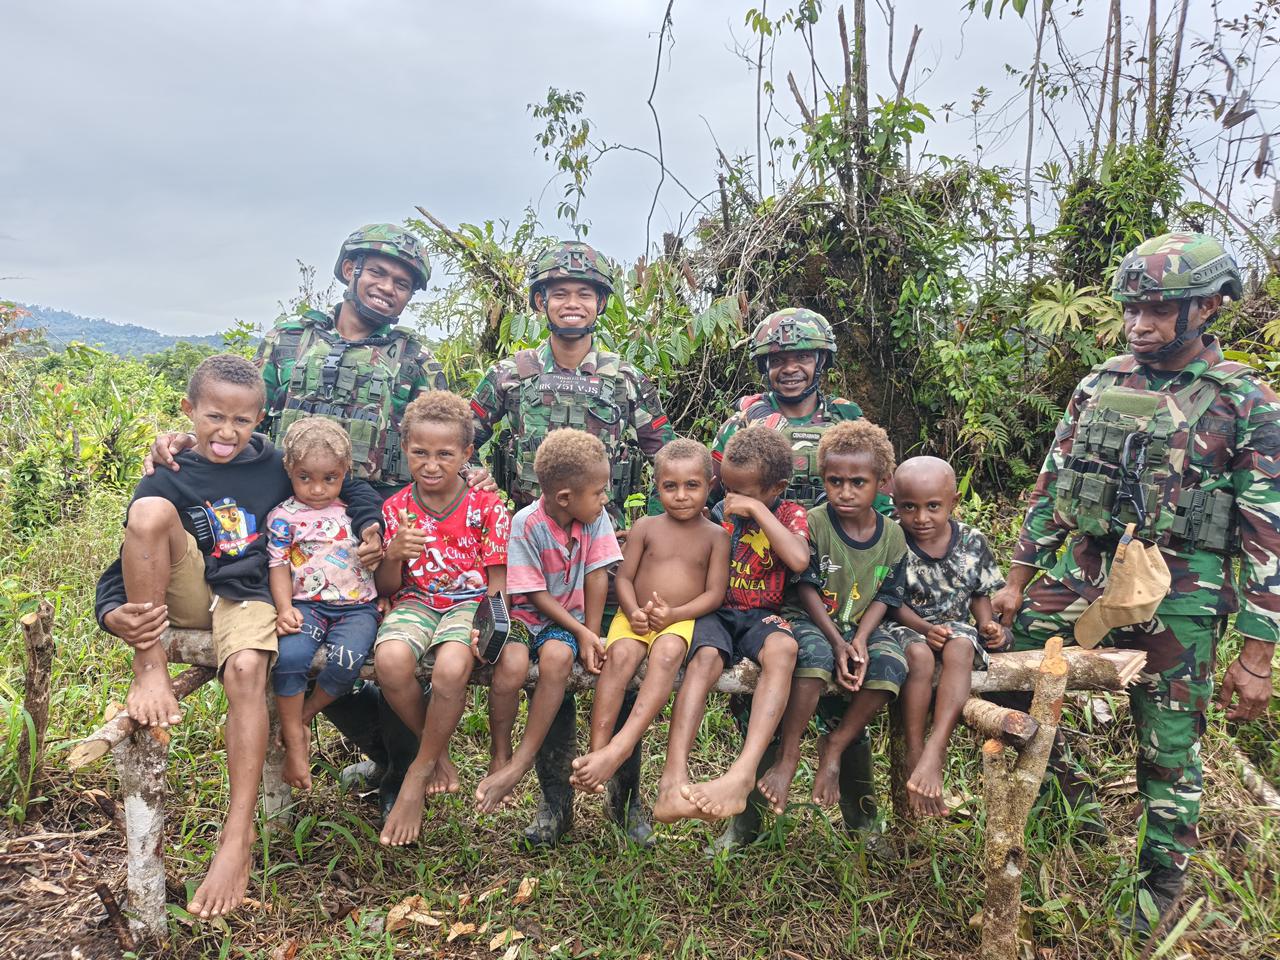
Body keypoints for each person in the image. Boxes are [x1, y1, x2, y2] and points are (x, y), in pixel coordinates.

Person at [988, 232, 1280, 936]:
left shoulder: (1245, 402)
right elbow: (1053, 487)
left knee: (1167, 747)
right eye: (1131, 309)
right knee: (1000, 670)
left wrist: (1256, 655)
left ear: (1207, 307)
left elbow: (1268, 533)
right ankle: (1069, 799)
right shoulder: (1100, 384)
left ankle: (1159, 889)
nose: (1139, 325)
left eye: (1158, 310)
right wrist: (1017, 581)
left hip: (1184, 590)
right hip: (1086, 571)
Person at [143, 224, 455, 812]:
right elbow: (240, 418)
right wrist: (186, 440)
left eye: (403, 282)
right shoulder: (290, 339)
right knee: (298, 643)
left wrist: (461, 484)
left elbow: (439, 439)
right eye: (378, 272)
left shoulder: (415, 358)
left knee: (380, 642)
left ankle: (396, 774)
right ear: (349, 271)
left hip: (371, 522)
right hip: (284, 520)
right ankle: (373, 751)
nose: (388, 287)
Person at [94, 355, 384, 919]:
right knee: (149, 510)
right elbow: (130, 551)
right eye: (213, 417)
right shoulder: (168, 470)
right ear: (189, 411)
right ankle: (148, 669)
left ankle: (238, 834)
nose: (227, 431)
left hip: (250, 593)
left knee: (248, 668)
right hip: (189, 590)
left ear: (260, 419)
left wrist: (371, 526)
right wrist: (110, 612)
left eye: (241, 420)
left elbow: (353, 487)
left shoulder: (277, 464)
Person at [470, 240, 674, 845]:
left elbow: (665, 453)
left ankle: (626, 801)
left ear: (601, 303)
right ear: (540, 302)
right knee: (548, 675)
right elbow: (459, 437)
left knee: (623, 667)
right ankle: (554, 805)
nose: (572, 302)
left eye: (585, 293)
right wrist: (478, 481)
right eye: (559, 292)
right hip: (531, 553)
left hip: (604, 559)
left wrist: (658, 527)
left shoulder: (623, 379)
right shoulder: (510, 375)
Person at [708, 308, 889, 851]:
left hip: (833, 579)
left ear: (820, 361)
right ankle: (746, 823)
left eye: (802, 357)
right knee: (754, 704)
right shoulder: (744, 422)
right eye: (778, 358)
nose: (790, 368)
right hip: (759, 581)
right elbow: (713, 493)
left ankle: (863, 822)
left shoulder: (846, 418)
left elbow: (878, 501)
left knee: (844, 695)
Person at [372, 392, 510, 846]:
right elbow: (389, 586)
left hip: (469, 603)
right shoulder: (396, 508)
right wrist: (393, 554)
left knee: (451, 668)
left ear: (467, 454)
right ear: (404, 449)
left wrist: (488, 629)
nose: (431, 465)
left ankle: (417, 771)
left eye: (445, 454)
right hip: (416, 600)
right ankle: (436, 752)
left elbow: (496, 584)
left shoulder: (486, 507)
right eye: (420, 453)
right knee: (390, 661)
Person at [652, 426, 808, 824]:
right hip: (717, 610)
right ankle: (672, 781)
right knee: (704, 659)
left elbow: (798, 559)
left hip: (761, 615)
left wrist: (758, 511)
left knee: (785, 649)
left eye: (744, 492)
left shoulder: (789, 514)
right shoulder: (720, 511)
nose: (732, 499)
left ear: (777, 488)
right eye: (728, 489)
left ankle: (742, 774)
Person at [570, 439, 730, 795]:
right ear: (657, 486)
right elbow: (624, 579)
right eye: (670, 486)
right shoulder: (645, 526)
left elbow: (714, 595)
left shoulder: (716, 537)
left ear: (710, 485)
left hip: (679, 620)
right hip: (635, 616)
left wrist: (674, 615)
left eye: (692, 485)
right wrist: (632, 612)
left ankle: (622, 744)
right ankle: (597, 752)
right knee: (620, 656)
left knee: (668, 654)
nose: (681, 496)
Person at [473, 429, 620, 813]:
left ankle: (523, 761)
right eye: (598, 492)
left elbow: (597, 575)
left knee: (557, 658)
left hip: (565, 624)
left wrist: (590, 635)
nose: (605, 499)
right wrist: (582, 630)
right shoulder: (526, 523)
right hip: (526, 614)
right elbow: (535, 594)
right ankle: (501, 753)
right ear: (565, 498)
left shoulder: (596, 519)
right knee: (512, 664)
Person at [770, 421, 909, 811]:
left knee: (891, 664)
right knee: (815, 657)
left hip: (860, 623)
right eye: (835, 481)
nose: (845, 492)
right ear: (823, 479)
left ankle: (836, 744)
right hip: (809, 619)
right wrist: (837, 641)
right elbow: (804, 585)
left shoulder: (893, 536)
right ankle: (789, 753)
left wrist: (860, 639)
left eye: (858, 482)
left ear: (882, 482)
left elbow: (887, 594)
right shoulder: (813, 522)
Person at [885, 456, 1009, 817]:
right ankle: (915, 751)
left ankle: (936, 748)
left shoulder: (972, 541)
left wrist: (987, 625)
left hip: (954, 628)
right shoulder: (891, 538)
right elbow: (889, 601)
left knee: (961, 647)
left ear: (953, 502)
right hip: (904, 627)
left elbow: (979, 593)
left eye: (933, 506)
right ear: (895, 503)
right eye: (909, 507)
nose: (921, 518)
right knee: (920, 656)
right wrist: (924, 630)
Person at [266, 417, 381, 792]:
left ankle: (302, 718)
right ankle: (295, 741)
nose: (317, 489)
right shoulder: (283, 517)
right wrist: (285, 608)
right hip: (307, 607)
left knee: (347, 661)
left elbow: (379, 551)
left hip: (357, 609)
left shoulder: (357, 511)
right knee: (290, 657)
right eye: (305, 478)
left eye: (329, 478)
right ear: (289, 469)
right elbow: (278, 565)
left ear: (345, 471)